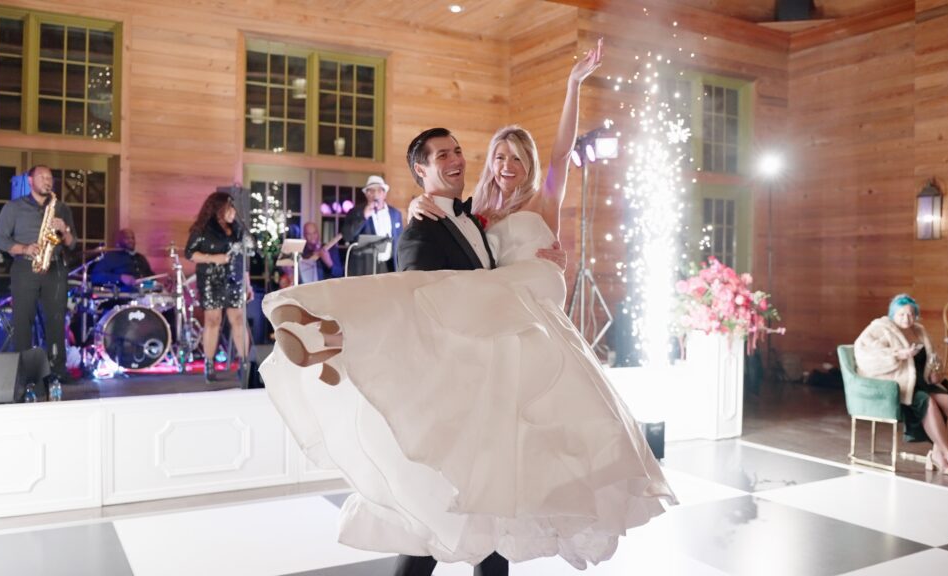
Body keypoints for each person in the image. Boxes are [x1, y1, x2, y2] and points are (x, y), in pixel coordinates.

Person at [261, 40, 673, 573]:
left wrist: (573, 85)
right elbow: (438, 245)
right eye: (500, 156)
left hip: (531, 311)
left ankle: (337, 334)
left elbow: (559, 154)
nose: (509, 165)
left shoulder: (542, 201)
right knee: (432, 299)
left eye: (517, 159)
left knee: (508, 457)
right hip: (497, 319)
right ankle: (325, 328)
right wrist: (417, 202)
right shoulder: (474, 215)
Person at [854, 294, 948, 475]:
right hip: (900, 385)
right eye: (902, 314)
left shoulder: (919, 331)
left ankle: (937, 452)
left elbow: (933, 358)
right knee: (928, 402)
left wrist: (936, 373)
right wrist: (896, 355)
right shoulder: (881, 329)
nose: (907, 318)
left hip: (921, 382)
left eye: (911, 314)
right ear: (893, 315)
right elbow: (864, 353)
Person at [0, 165, 76, 387]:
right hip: (26, 267)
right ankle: (24, 374)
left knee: (56, 321)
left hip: (55, 268)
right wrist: (24, 248)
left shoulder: (61, 208)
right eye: (42, 177)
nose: (47, 180)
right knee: (23, 322)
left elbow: (72, 243)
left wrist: (64, 230)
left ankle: (58, 370)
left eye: (50, 177)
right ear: (30, 181)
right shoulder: (14, 207)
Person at [185, 192, 251, 382]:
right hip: (210, 278)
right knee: (213, 320)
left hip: (233, 278)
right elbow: (190, 253)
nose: (233, 212)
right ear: (219, 209)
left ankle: (244, 362)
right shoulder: (203, 229)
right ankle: (209, 362)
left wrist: (247, 284)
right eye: (230, 207)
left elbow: (241, 257)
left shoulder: (237, 229)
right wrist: (213, 259)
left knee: (238, 319)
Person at [341, 175, 403, 275]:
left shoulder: (395, 214)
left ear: (385, 194)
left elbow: (400, 240)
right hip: (365, 268)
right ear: (366, 194)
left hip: (390, 266)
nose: (375, 195)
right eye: (371, 191)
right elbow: (347, 235)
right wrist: (363, 216)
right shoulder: (356, 212)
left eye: (379, 191)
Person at [89, 228, 155, 291]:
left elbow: (150, 278)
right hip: (122, 296)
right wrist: (120, 278)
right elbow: (96, 277)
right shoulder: (111, 257)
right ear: (119, 240)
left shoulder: (140, 258)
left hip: (144, 295)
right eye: (127, 238)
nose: (131, 241)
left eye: (132, 238)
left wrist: (153, 284)